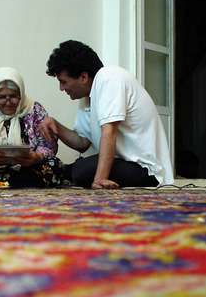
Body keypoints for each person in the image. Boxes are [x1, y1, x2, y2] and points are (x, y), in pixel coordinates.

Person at [41, 40, 174, 189]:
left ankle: (59, 172)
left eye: (63, 82)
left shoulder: (109, 77)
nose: (61, 88)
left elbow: (109, 131)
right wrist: (56, 126)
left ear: (83, 77)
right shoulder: (88, 96)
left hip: (147, 171)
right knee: (77, 168)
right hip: (124, 164)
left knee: (81, 170)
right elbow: (82, 143)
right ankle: (57, 172)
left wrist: (99, 180)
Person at [0, 67, 63, 188]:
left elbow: (49, 145)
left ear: (21, 95)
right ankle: (9, 184)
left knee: (54, 165)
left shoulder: (34, 110)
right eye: (2, 97)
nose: (8, 102)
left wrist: (37, 156)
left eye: (13, 96)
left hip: (26, 168)